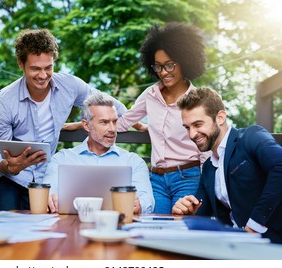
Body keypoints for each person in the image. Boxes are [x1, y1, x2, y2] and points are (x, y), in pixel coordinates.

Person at [0, 28, 130, 211]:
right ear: (21, 64)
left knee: (41, 229)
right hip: (6, 178)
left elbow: (112, 106)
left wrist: (89, 123)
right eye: (35, 68)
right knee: (7, 228)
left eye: (48, 67)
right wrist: (10, 166)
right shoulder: (4, 101)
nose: (43, 75)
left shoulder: (70, 86)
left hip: (43, 176)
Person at [116, 22, 211, 214]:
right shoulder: (150, 94)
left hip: (189, 177)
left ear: (185, 61)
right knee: (154, 229)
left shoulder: (199, 100)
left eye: (170, 65)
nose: (164, 72)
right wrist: (85, 124)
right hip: (156, 179)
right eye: (158, 66)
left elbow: (207, 147)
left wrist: (206, 185)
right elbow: (122, 122)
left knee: (181, 231)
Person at [172, 87, 282, 244]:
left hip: (271, 245)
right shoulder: (209, 168)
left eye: (198, 124)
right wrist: (186, 210)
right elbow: (200, 212)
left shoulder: (251, 136)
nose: (191, 134)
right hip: (230, 246)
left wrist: (254, 225)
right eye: (187, 127)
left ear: (220, 118)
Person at [43, 91, 154, 214]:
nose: (112, 129)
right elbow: (48, 191)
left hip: (117, 228)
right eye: (104, 122)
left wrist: (140, 205)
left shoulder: (134, 162)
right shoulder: (62, 159)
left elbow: (147, 200)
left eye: (114, 122)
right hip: (70, 226)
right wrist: (50, 199)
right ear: (86, 125)